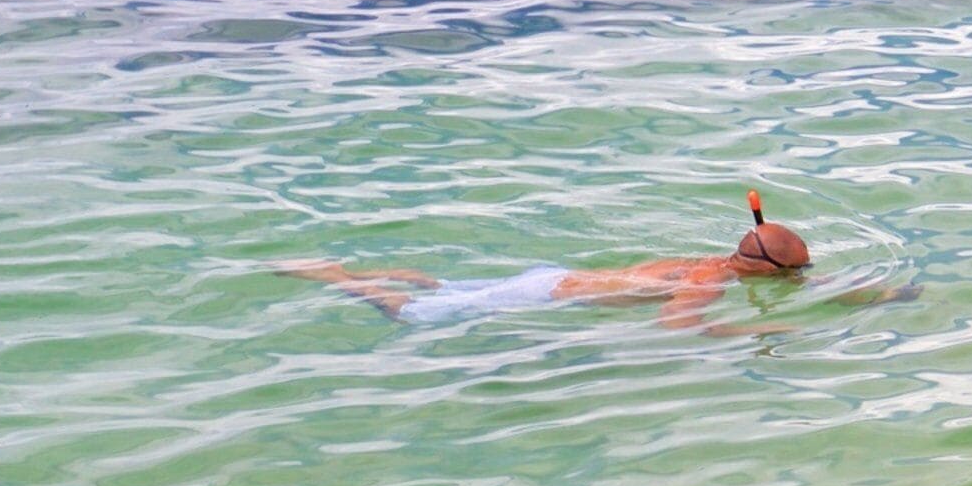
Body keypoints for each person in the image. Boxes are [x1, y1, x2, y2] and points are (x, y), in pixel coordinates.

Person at [277, 191, 813, 331]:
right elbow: (677, 326)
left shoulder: (705, 261)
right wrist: (751, 335)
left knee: (448, 288)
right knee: (409, 314)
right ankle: (333, 276)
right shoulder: (705, 283)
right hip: (548, 293)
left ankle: (379, 273)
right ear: (768, 271)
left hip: (551, 276)